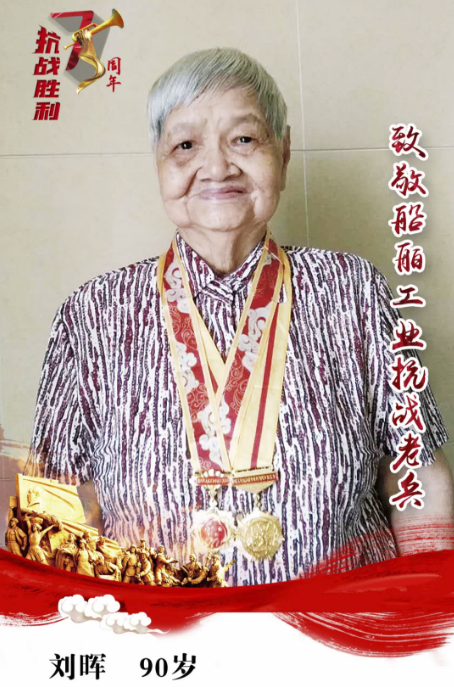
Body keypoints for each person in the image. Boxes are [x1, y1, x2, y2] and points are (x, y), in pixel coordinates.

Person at [25, 47, 453, 585]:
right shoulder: (93, 315)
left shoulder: (355, 291)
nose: (217, 167)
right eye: (185, 145)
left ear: (283, 152)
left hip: (341, 629)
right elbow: (57, 507)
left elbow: (416, 478)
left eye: (244, 139)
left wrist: (426, 614)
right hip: (161, 631)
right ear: (159, 162)